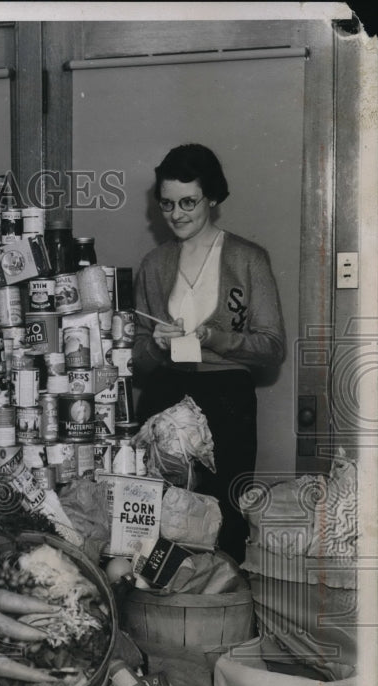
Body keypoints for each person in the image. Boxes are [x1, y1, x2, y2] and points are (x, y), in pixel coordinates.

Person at [132, 143, 285, 564]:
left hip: (227, 401)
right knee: (156, 519)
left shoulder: (248, 259)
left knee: (224, 520)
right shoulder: (153, 264)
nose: (177, 214)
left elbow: (272, 348)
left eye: (188, 202)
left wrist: (215, 337)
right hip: (165, 398)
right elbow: (138, 362)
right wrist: (156, 345)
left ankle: (218, 612)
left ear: (212, 198)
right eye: (166, 205)